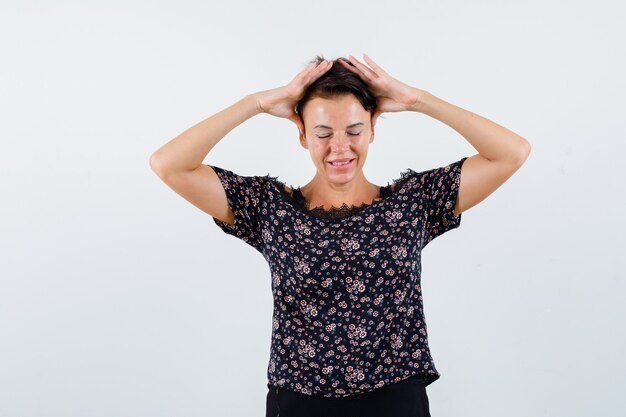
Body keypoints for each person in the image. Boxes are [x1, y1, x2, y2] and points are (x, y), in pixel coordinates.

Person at [150, 54, 531, 417]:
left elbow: (511, 153)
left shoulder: (414, 202)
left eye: (353, 131)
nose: (339, 148)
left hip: (396, 398)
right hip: (299, 401)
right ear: (301, 135)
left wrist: (418, 100)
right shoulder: (269, 208)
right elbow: (169, 165)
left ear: (372, 129)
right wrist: (258, 103)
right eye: (323, 134)